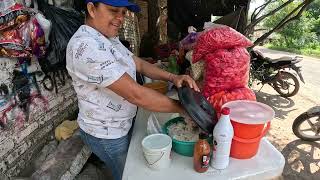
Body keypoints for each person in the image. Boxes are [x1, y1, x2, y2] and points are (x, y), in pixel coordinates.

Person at [66, 1, 199, 180]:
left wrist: (173, 78)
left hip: (121, 123)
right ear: (91, 9)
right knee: (129, 175)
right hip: (107, 134)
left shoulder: (107, 38)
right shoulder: (86, 47)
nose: (120, 18)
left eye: (123, 12)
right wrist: (184, 109)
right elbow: (135, 94)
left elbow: (138, 63)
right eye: (113, 10)